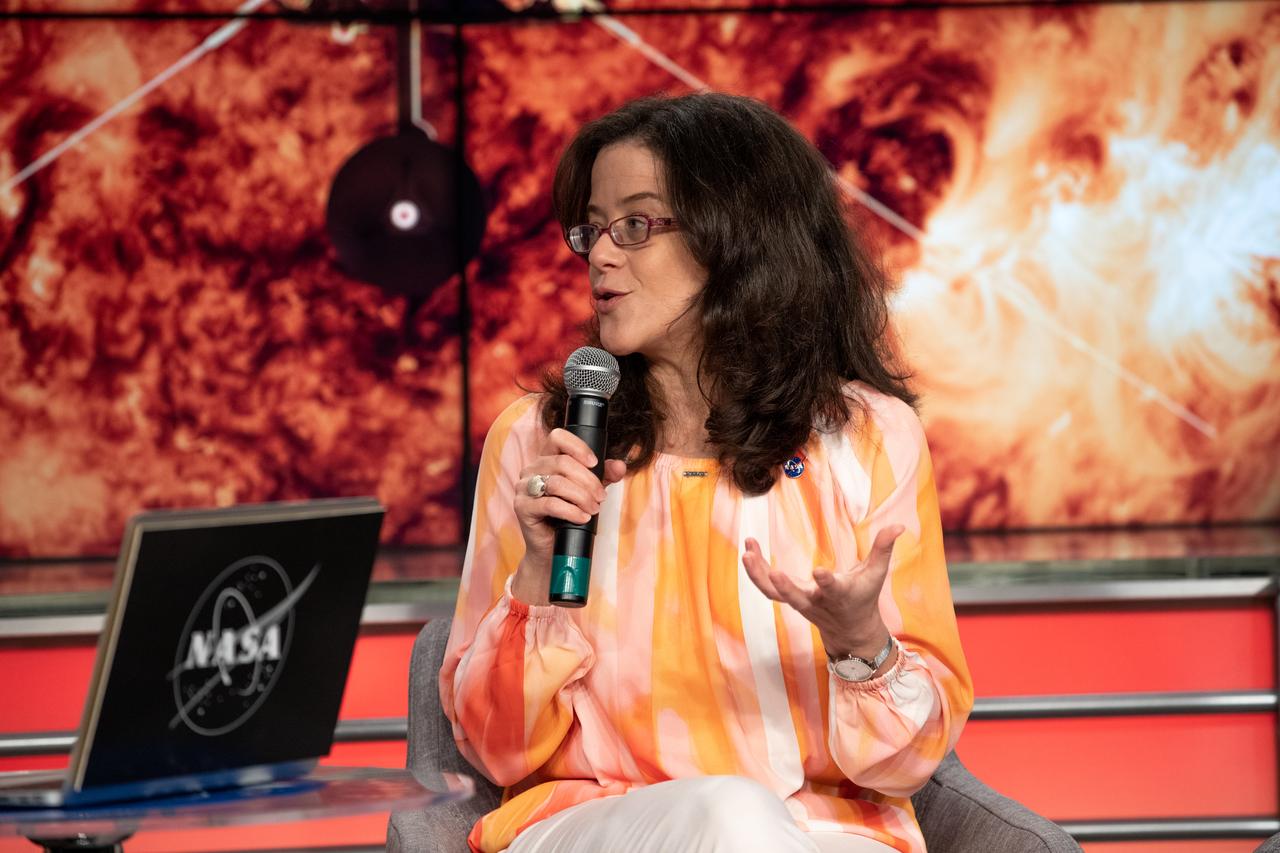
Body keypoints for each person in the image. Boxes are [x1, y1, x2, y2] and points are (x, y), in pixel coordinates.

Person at [441, 92, 972, 853]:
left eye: (635, 225)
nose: (598, 254)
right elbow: (495, 748)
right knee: (729, 815)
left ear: (739, 237)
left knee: (748, 825)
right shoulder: (539, 442)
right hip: (594, 827)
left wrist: (863, 645)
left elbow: (908, 765)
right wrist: (534, 576)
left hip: (818, 832)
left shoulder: (867, 438)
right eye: (591, 227)